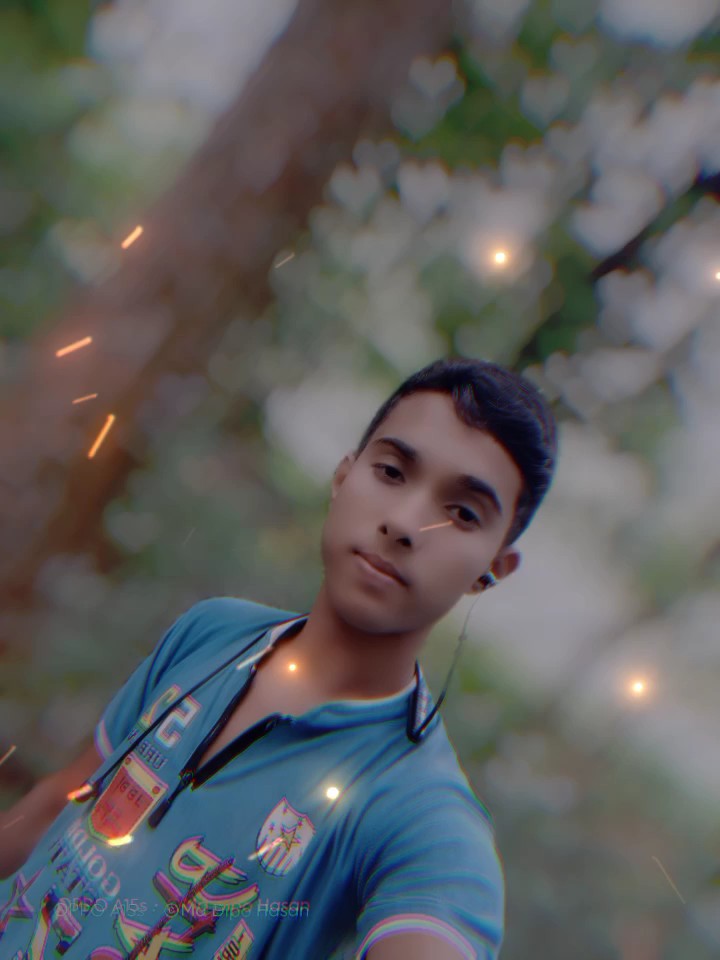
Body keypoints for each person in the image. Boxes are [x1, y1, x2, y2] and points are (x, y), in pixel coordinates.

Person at [0, 356, 557, 960]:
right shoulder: (212, 632)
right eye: (392, 472)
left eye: (462, 514)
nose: (403, 523)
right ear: (343, 475)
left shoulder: (420, 815)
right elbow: (62, 805)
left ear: (491, 570)